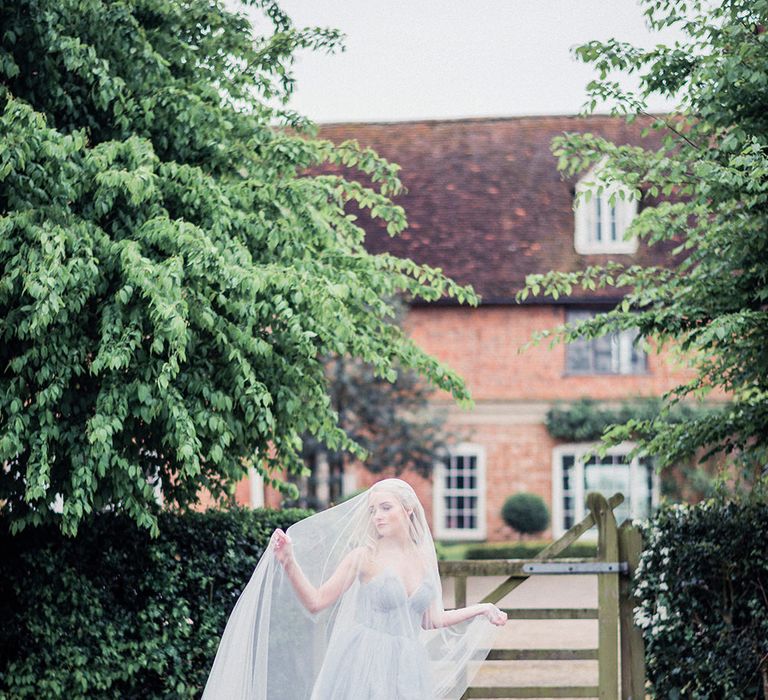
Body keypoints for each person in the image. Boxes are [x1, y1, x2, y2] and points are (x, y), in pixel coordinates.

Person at [202, 478, 506, 700]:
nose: (378, 516)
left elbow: (432, 619)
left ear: (408, 510)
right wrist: (289, 563)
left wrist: (483, 608)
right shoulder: (364, 557)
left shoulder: (424, 558)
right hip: (364, 661)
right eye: (374, 510)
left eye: (386, 508)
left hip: (407, 666)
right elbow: (316, 602)